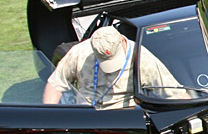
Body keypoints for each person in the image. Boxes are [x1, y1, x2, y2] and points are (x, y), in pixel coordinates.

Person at [42, 26, 186, 109]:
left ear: (123, 42)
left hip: (125, 120)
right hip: (87, 117)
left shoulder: (142, 58)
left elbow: (176, 93)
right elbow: (55, 84)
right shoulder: (79, 52)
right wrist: (49, 117)